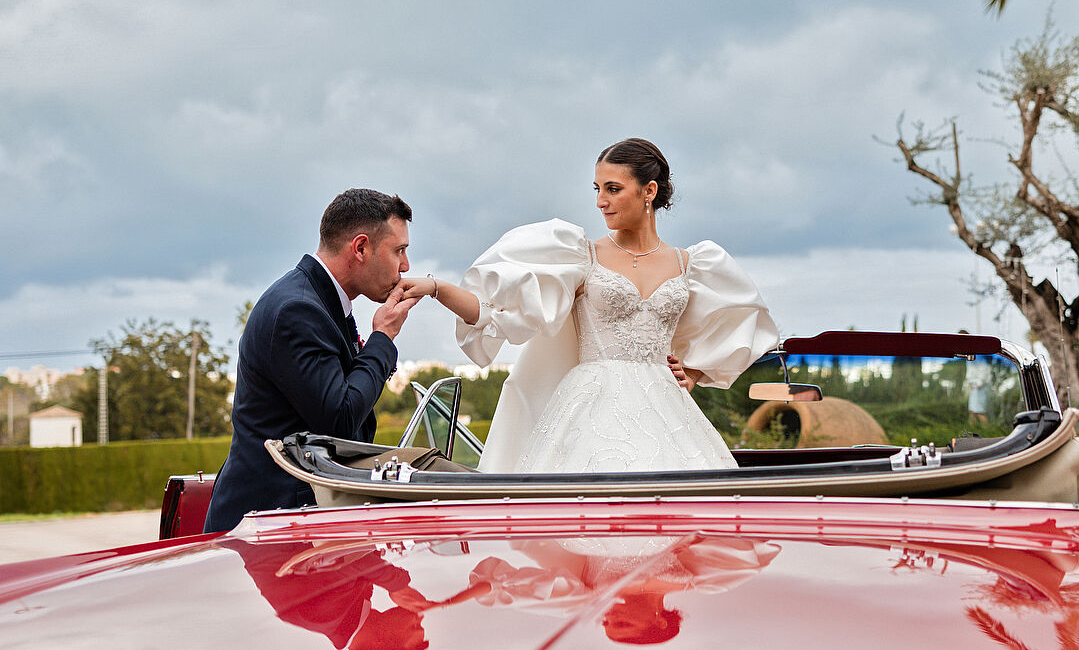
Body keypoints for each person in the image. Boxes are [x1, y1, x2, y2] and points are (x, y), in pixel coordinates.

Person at [409, 138, 778, 472]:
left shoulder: (692, 264)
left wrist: (694, 373)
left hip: (668, 410)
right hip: (589, 412)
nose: (600, 201)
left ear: (649, 191)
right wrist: (436, 287)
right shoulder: (580, 255)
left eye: (613, 189)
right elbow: (496, 311)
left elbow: (739, 323)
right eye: (598, 189)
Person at [204, 189, 419, 532]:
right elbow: (341, 417)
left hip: (295, 523)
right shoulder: (298, 310)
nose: (406, 266)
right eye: (399, 251)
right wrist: (383, 338)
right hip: (271, 525)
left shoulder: (318, 301)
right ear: (361, 248)